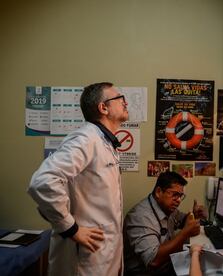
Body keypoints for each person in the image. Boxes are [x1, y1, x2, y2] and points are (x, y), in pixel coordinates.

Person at [27, 82, 128, 276]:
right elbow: (43, 181)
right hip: (85, 259)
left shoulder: (104, 142)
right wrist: (71, 228)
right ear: (103, 107)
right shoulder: (86, 139)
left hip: (104, 253)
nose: (125, 102)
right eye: (119, 98)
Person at [123, 171, 206, 275]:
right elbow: (153, 261)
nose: (179, 200)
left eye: (181, 196)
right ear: (158, 192)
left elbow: (183, 220)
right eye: (175, 194)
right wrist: (185, 233)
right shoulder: (139, 217)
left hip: (167, 265)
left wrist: (194, 215)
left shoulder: (167, 207)